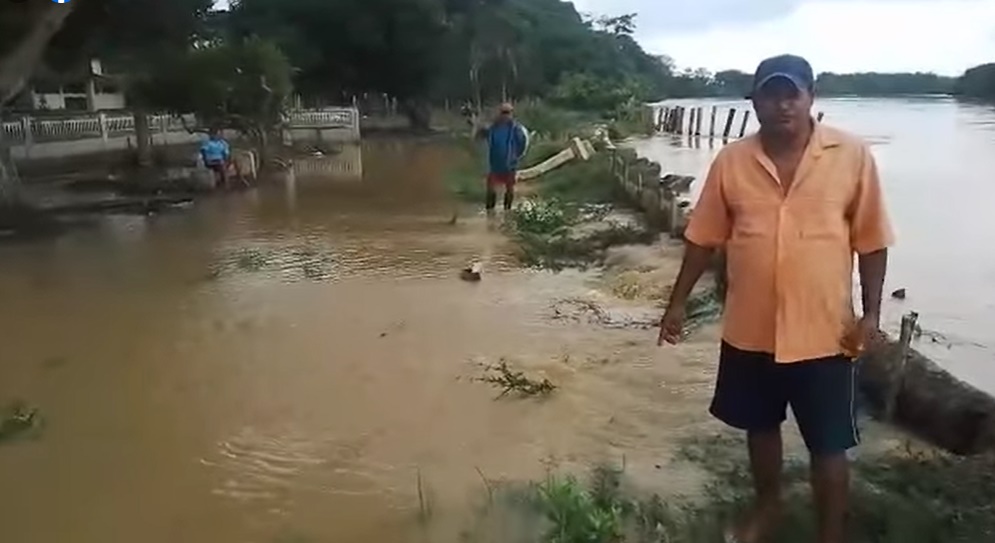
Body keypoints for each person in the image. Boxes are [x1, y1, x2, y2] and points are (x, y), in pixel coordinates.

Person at [657, 54, 893, 543]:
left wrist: (871, 314)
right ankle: (768, 509)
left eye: (793, 93)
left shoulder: (851, 156)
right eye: (771, 94)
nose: (783, 104)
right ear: (755, 101)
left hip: (825, 331)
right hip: (751, 326)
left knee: (828, 444)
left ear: (811, 96)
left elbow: (872, 241)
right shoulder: (731, 161)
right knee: (759, 427)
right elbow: (703, 238)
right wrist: (676, 303)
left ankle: (830, 533)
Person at [485, 103, 529, 213]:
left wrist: (516, 157)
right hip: (494, 164)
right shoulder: (493, 128)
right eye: (503, 113)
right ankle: (490, 213)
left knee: (509, 189)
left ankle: (507, 212)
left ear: (511, 114)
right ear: (500, 114)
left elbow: (523, 143)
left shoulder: (516, 129)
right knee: (491, 189)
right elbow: (486, 142)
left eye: (507, 113)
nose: (505, 115)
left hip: (510, 164)